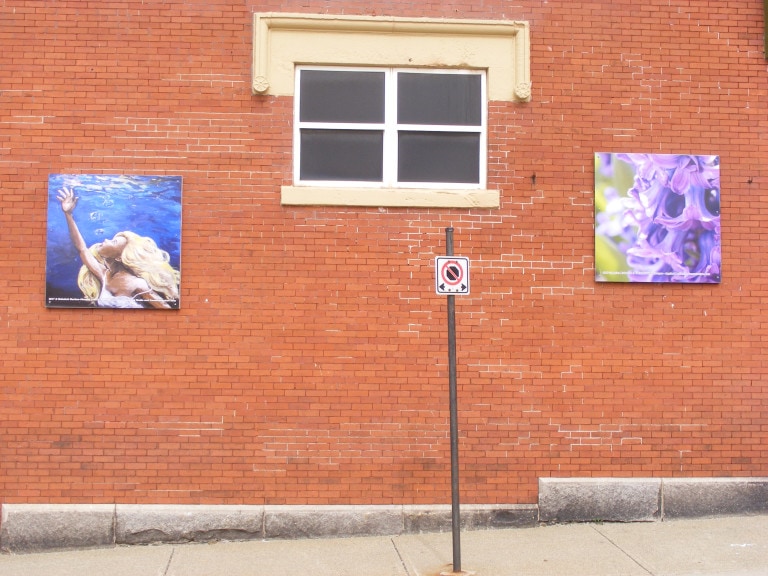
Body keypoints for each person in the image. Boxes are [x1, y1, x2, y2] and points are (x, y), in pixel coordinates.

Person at [57, 187, 180, 309]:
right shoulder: (104, 274)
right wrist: (68, 214)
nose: (106, 240)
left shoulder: (137, 283)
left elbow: (165, 308)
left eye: (114, 242)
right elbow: (81, 248)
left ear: (119, 257)